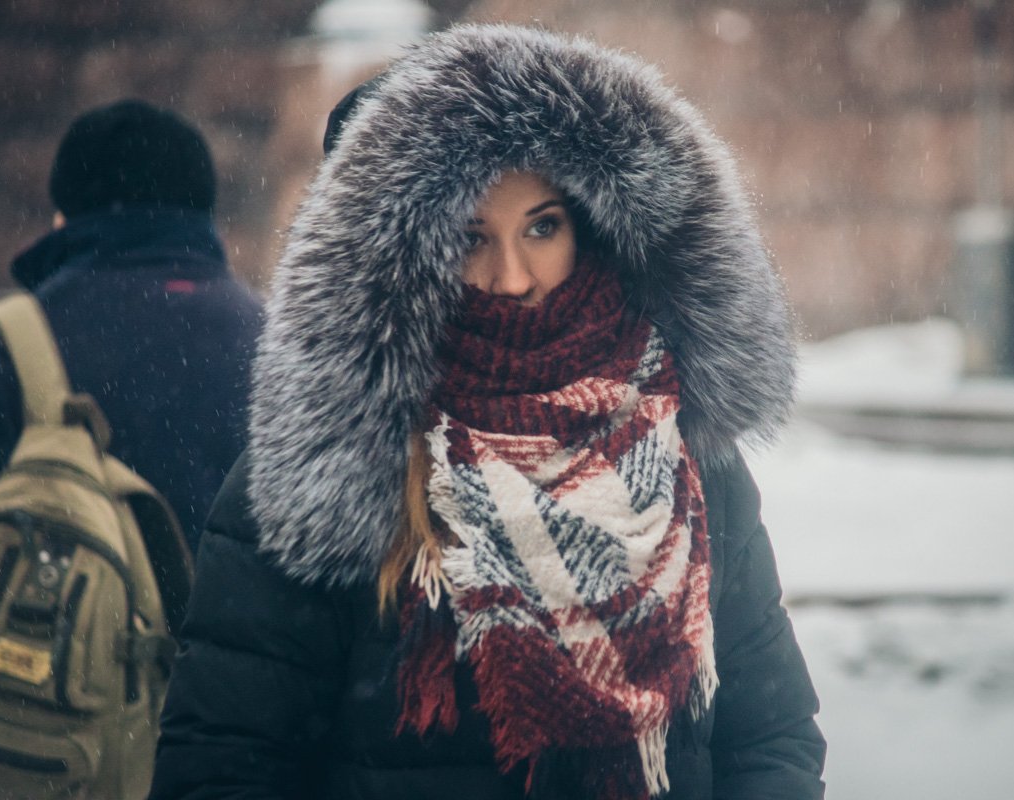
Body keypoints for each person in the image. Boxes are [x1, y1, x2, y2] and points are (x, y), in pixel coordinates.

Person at [150, 25, 825, 800]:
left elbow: (769, 738)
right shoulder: (335, 472)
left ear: (593, 226)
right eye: (471, 239)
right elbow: (225, 765)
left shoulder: (685, 446)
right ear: (401, 260)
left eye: (542, 226)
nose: (512, 276)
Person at [0, 99, 264, 555]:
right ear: (205, 213)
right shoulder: (278, 343)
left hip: (63, 624)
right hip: (240, 627)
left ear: (62, 219)